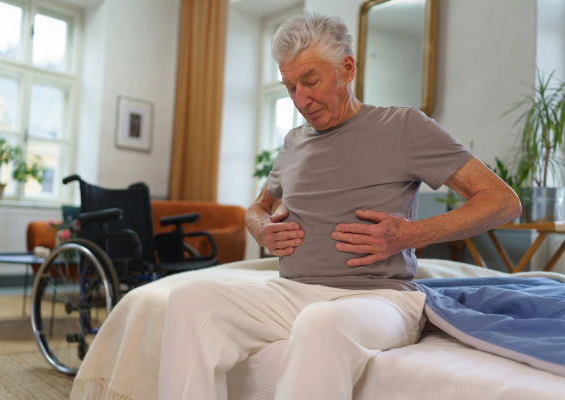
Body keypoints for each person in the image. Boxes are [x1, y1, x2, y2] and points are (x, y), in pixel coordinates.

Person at [158, 12, 521, 400]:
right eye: (290, 87)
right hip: (290, 294)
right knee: (188, 300)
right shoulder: (293, 142)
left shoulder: (403, 127)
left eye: (310, 81)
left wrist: (411, 234)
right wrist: (261, 228)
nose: (301, 99)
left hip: (378, 299)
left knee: (321, 323)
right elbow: (258, 206)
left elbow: (503, 201)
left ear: (346, 68)